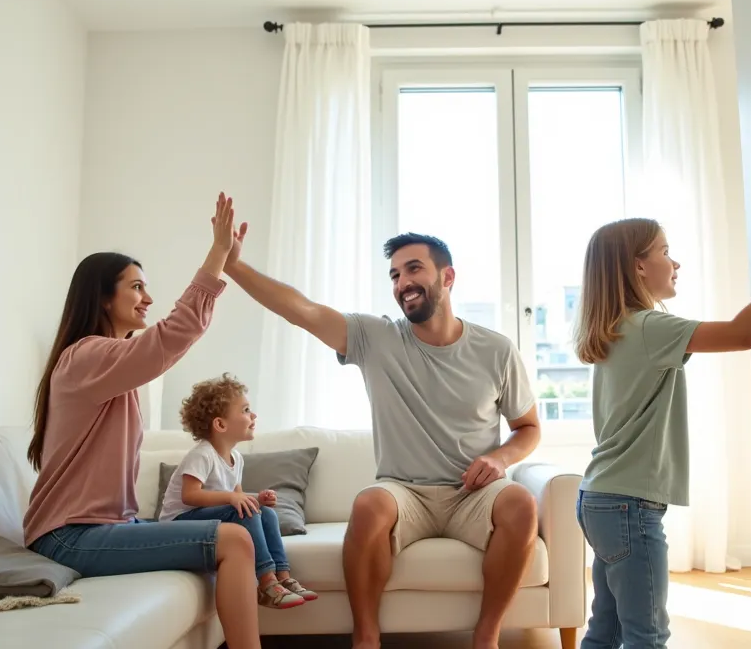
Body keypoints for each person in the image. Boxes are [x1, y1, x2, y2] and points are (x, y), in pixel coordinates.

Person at [222, 228, 542, 649]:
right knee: (368, 503)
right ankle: (366, 638)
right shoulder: (377, 338)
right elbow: (301, 310)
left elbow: (529, 428)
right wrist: (233, 266)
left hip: (473, 492)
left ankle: (486, 636)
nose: (402, 283)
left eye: (413, 269)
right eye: (394, 275)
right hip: (404, 490)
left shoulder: (497, 350)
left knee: (520, 501)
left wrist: (500, 459)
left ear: (447, 277)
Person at [572, 218, 751, 648]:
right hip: (627, 504)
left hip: (601, 498)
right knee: (647, 633)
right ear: (638, 266)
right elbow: (742, 334)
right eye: (663, 251)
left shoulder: (619, 328)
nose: (675, 262)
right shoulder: (650, 327)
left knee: (608, 629)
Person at [22, 193, 262, 649]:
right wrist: (218, 256)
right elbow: (174, 334)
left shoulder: (108, 367)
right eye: (136, 287)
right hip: (68, 537)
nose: (147, 297)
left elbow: (162, 343)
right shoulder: (85, 357)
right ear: (102, 295)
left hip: (103, 527)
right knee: (233, 541)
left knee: (238, 528)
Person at [159, 373, 317, 609]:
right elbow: (190, 495)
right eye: (245, 410)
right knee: (246, 512)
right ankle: (266, 583)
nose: (253, 416)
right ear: (220, 424)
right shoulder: (202, 454)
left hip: (206, 518)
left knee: (266, 513)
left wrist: (257, 499)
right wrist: (235, 499)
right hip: (180, 522)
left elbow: (238, 495)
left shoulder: (237, 458)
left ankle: (283, 577)